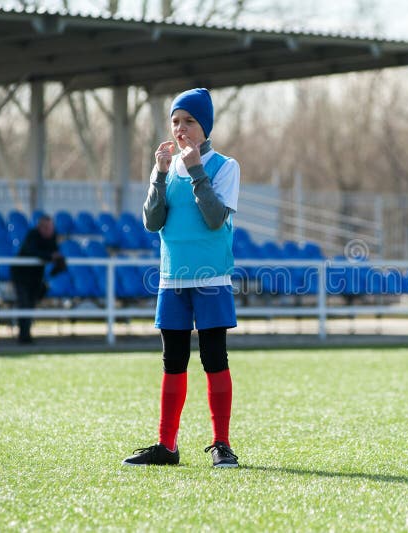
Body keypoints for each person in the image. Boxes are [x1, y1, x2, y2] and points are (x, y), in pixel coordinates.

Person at [123, 88, 241, 468]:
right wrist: (159, 174)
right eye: (175, 121)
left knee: (213, 359)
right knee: (172, 362)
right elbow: (151, 221)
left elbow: (214, 217)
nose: (181, 128)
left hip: (211, 279)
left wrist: (195, 170)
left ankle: (221, 444)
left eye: (189, 121)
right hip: (171, 280)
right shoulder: (165, 167)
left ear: (204, 126)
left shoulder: (225, 166)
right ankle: (166, 446)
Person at [10, 215, 64, 344]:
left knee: (31, 304)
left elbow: (56, 256)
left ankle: (26, 334)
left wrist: (56, 263)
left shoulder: (52, 237)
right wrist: (50, 256)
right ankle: (24, 336)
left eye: (50, 227)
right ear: (39, 227)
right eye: (45, 227)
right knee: (24, 304)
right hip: (21, 276)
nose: (49, 230)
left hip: (36, 277)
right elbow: (32, 252)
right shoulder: (32, 235)